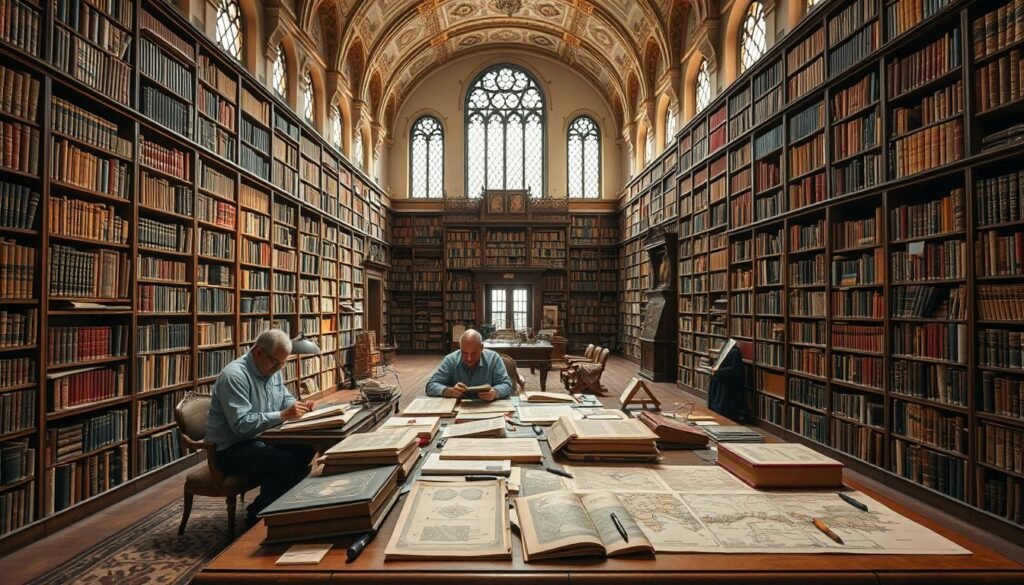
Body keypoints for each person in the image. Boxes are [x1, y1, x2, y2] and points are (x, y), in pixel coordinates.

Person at [205, 329, 316, 527]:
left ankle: (275, 503)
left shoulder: (272, 370)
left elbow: (284, 398)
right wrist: (282, 415)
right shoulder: (234, 376)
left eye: (283, 363)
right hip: (230, 449)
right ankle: (258, 516)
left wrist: (299, 405)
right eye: (276, 362)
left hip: (260, 438)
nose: (279, 368)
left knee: (307, 447)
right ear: (258, 352)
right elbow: (241, 425)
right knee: (283, 462)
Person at [426, 329, 513, 401]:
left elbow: (506, 384)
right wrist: (448, 391)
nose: (469, 358)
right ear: (460, 348)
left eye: (474, 353)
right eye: (464, 353)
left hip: (486, 408)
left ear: (482, 348)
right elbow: (431, 385)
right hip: (457, 409)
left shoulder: (493, 358)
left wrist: (495, 392)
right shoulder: (450, 360)